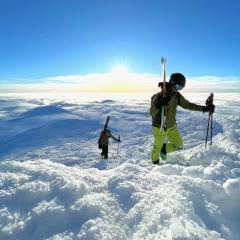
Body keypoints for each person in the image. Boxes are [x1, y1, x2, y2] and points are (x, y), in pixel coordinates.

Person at [150, 73, 215, 164]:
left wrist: (204, 108)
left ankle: (164, 149)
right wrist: (158, 104)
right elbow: (151, 112)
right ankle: (155, 164)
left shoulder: (177, 96)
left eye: (180, 88)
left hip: (171, 126)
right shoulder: (157, 96)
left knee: (179, 145)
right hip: (159, 127)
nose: (178, 90)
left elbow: (188, 105)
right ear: (172, 83)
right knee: (157, 148)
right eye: (177, 87)